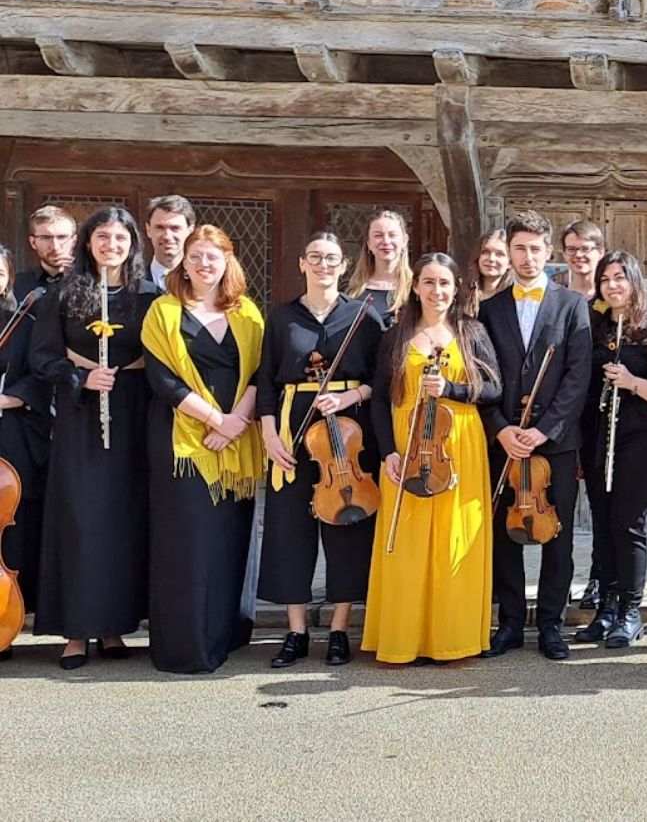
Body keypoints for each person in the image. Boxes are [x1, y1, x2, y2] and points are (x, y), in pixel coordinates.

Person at [31, 206, 158, 669]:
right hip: (81, 418)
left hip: (134, 416)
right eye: (102, 237)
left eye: (120, 238)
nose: (111, 245)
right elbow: (42, 356)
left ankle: (113, 626)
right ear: (88, 243)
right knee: (81, 521)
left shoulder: (149, 296)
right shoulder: (65, 294)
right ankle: (76, 632)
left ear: (131, 244)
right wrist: (79, 379)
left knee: (123, 522)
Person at [363, 252, 500, 664]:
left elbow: (494, 390)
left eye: (444, 283)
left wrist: (453, 391)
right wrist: (388, 451)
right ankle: (406, 638)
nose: (437, 291)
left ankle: (450, 639)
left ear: (456, 287)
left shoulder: (471, 331)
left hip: (460, 444)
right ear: (415, 286)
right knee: (405, 544)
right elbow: (380, 400)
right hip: (408, 446)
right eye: (428, 282)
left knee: (453, 542)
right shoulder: (396, 334)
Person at [257, 231, 384, 669]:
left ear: (344, 266)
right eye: (316, 257)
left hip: (346, 431)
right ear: (302, 263)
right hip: (294, 426)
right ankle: (295, 631)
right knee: (291, 526)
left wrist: (349, 398)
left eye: (332, 259)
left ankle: (337, 629)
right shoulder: (281, 317)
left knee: (346, 525)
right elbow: (267, 381)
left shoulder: (363, 316)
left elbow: (380, 380)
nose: (324, 265)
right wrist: (269, 434)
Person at [141, 225, 265, 674]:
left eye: (213, 256)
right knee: (188, 545)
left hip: (238, 442)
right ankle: (187, 647)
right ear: (183, 262)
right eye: (195, 256)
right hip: (186, 444)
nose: (203, 264)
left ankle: (226, 636)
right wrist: (217, 422)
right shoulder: (163, 312)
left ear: (228, 261)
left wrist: (236, 424)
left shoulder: (248, 313)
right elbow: (164, 380)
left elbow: (260, 374)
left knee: (230, 542)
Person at [478, 211, 590, 661]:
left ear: (549, 253)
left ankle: (550, 623)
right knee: (504, 534)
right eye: (518, 249)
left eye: (535, 249)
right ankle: (508, 622)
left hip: (554, 442)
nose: (527, 257)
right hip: (504, 439)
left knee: (556, 534)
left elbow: (577, 376)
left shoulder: (571, 304)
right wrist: (502, 429)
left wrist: (544, 430)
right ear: (509, 253)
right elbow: (482, 376)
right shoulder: (490, 308)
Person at [575, 251, 647, 647]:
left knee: (627, 521)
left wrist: (632, 381)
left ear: (635, 281)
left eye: (620, 277)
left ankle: (630, 611)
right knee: (601, 523)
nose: (613, 285)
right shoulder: (593, 326)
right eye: (606, 279)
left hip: (643, 437)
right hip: (598, 434)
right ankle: (607, 608)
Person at [0, 245, 53, 661]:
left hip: (12, 435)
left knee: (10, 536)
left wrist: (6, 399)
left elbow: (40, 375)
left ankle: (4, 625)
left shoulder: (26, 322)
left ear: (9, 277)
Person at [559, 219, 607, 611]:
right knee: (562, 507)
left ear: (600, 252)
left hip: (602, 414)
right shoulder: (556, 298)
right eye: (573, 249)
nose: (580, 255)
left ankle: (599, 578)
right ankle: (562, 583)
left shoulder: (610, 299)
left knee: (602, 503)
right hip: (563, 415)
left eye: (587, 248)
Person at [347, 209, 412, 329]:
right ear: (369, 244)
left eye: (392, 235)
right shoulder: (351, 290)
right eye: (378, 235)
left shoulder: (417, 288)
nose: (386, 241)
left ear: (405, 240)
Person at [15, 205, 76, 300]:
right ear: (33, 242)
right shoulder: (16, 285)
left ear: (74, 241)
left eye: (62, 237)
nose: (55, 247)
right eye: (46, 238)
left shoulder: (93, 282)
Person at [145, 195, 196, 292]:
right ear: (148, 230)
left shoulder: (200, 283)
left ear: (190, 231)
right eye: (160, 227)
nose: (167, 236)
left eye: (175, 228)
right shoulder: (133, 284)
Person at [464, 228, 512, 317]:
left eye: (499, 254)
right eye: (485, 252)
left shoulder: (516, 298)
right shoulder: (462, 296)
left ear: (510, 262)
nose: (491, 259)